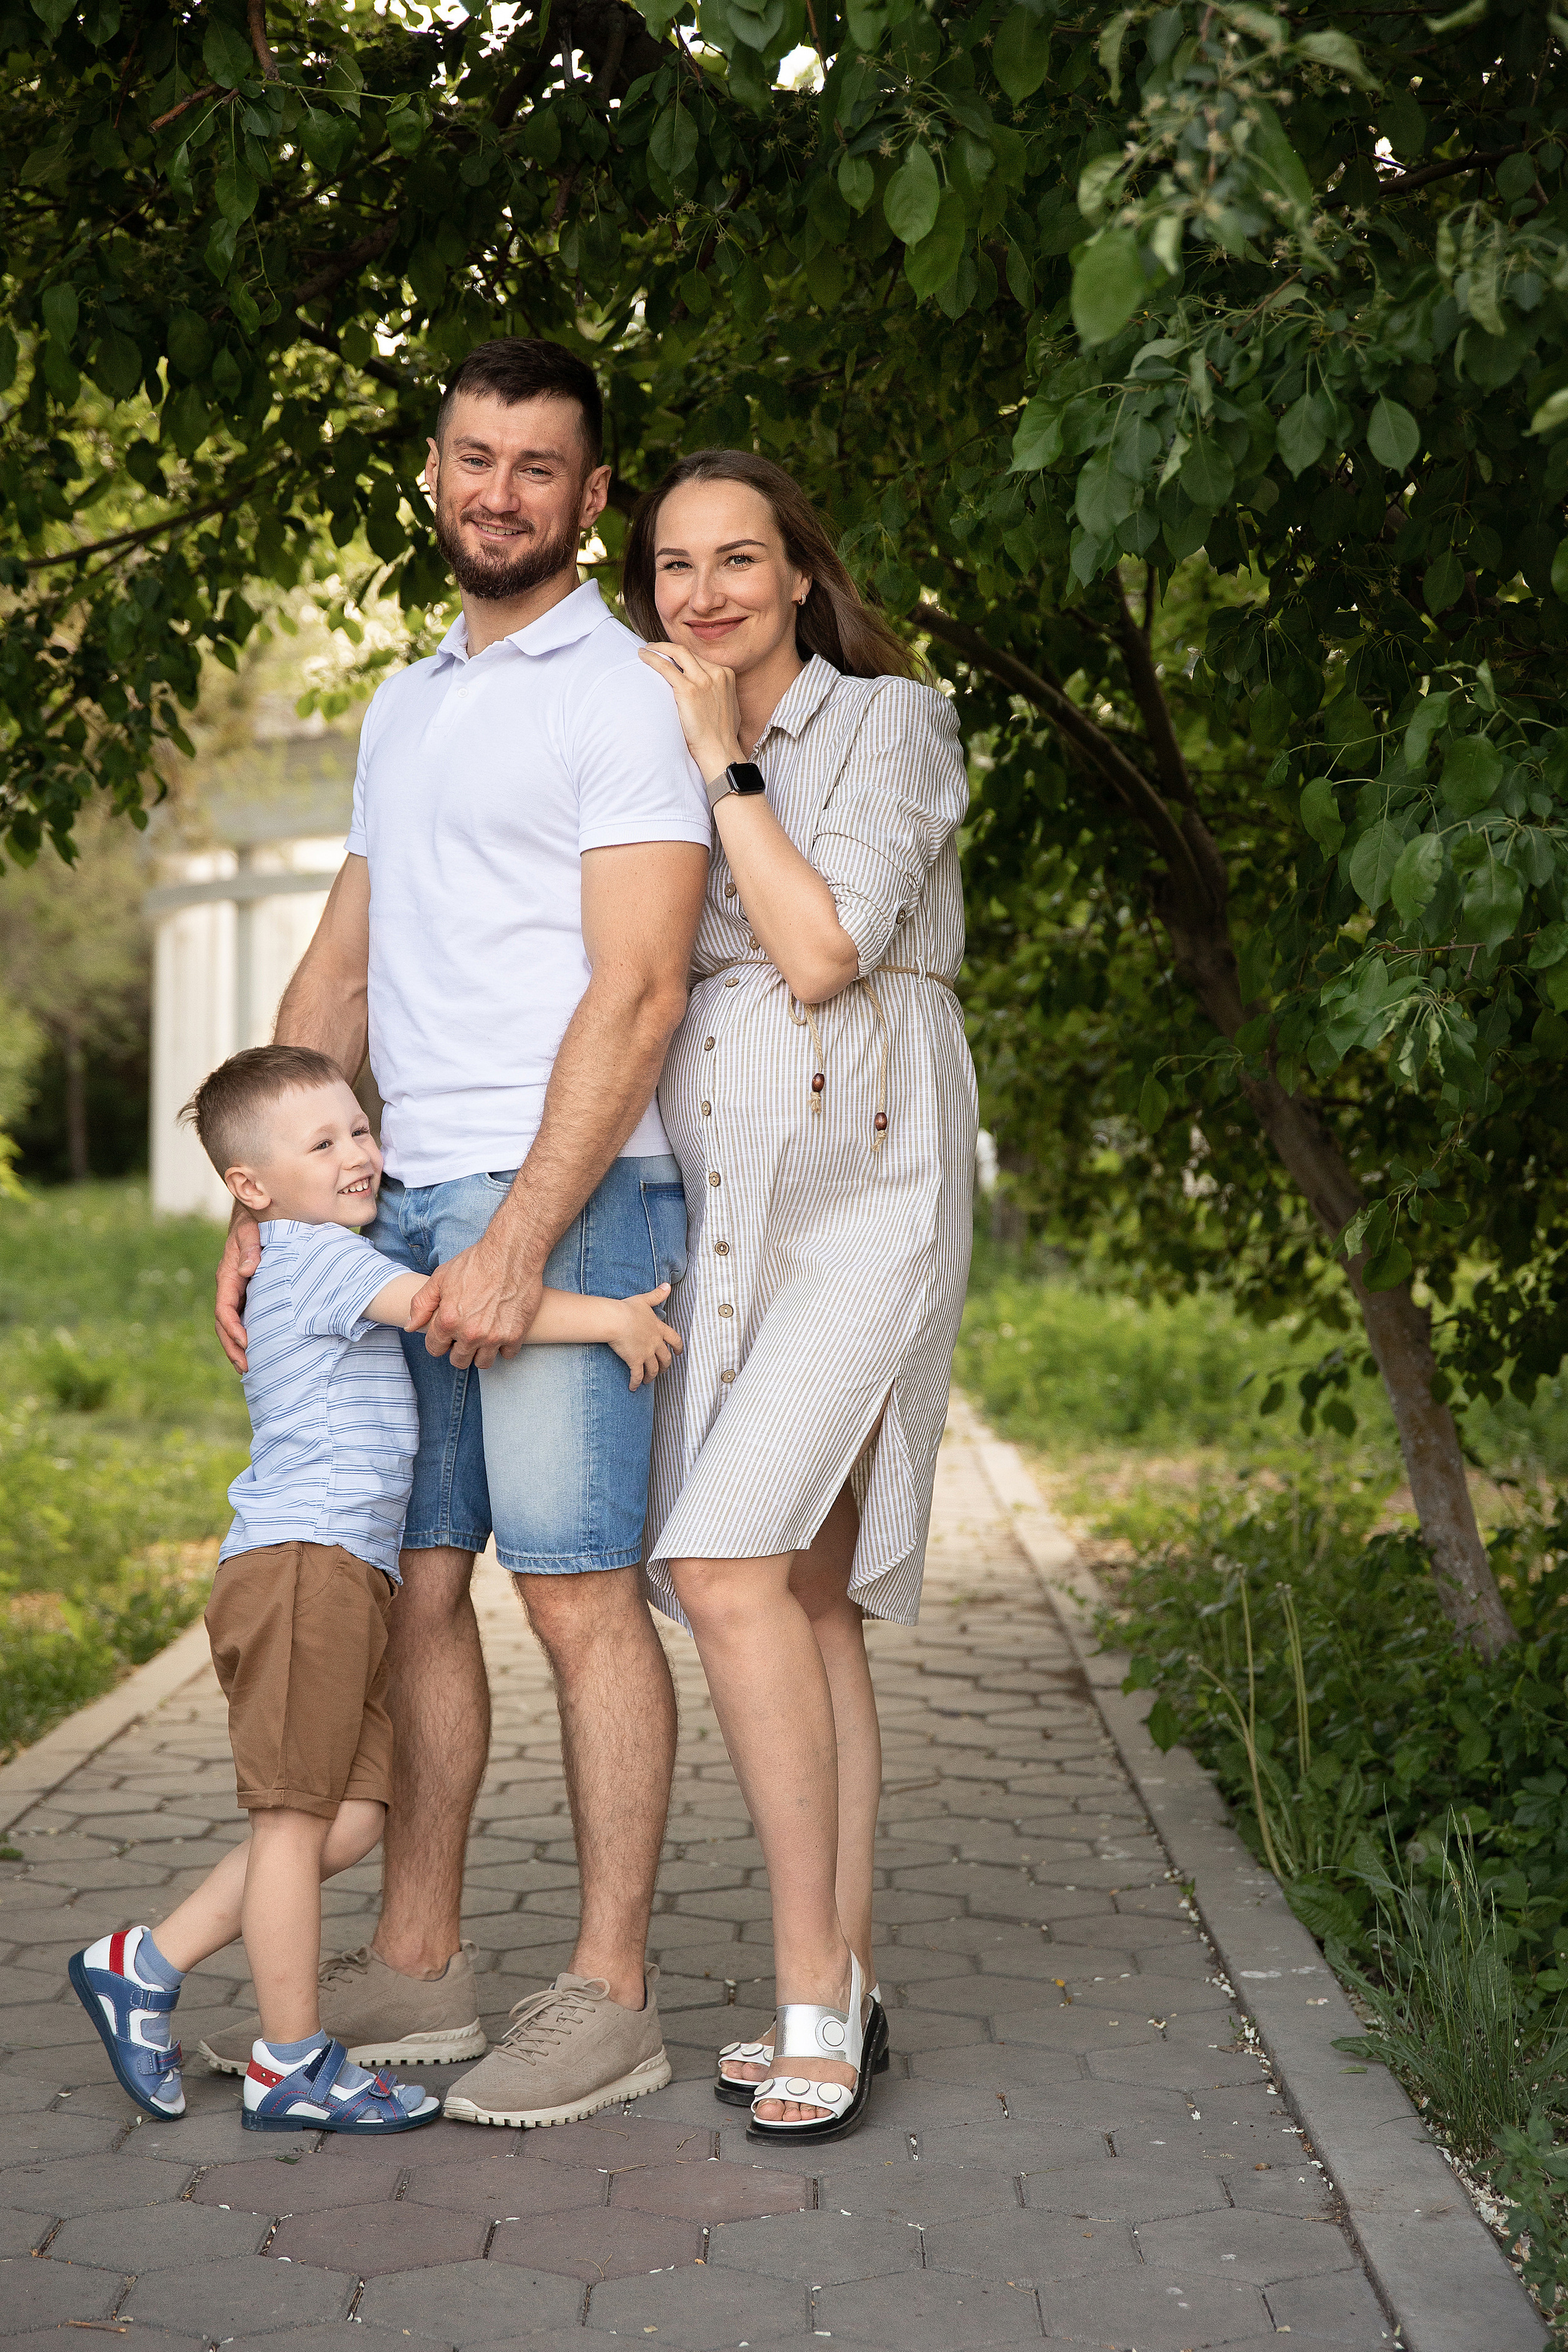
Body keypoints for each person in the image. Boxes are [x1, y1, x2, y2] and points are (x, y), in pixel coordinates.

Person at [205, 339, 711, 2129]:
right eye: (472, 454)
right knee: (415, 1587)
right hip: (392, 1196)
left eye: (538, 465)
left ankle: (611, 1991)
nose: (498, 488)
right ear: (437, 470)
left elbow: (642, 992)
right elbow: (343, 968)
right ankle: (419, 1965)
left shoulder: (622, 696)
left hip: (556, 1191)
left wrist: (522, 1241)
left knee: (576, 1598)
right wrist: (262, 1200)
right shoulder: (406, 702)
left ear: (591, 496)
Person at [67, 1047, 681, 2132]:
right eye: (324, 1143)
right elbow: (460, 1309)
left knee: (345, 1822)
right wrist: (614, 1319)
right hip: (301, 1572)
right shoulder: (317, 1259)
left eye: (361, 1129)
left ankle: (140, 1962)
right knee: (299, 1820)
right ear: (249, 1190)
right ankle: (291, 2063)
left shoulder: (311, 1250)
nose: (359, 1156)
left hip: (337, 1575)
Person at [624, 451, 976, 2145]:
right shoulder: (643, 741)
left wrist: (723, 763)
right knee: (810, 1595)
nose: (704, 592)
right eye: (675, 564)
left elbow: (825, 954)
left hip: (871, 1188)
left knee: (718, 1556)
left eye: (737, 558)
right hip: (734, 1214)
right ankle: (853, 1970)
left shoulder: (885, 724)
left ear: (796, 571)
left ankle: (806, 1995)